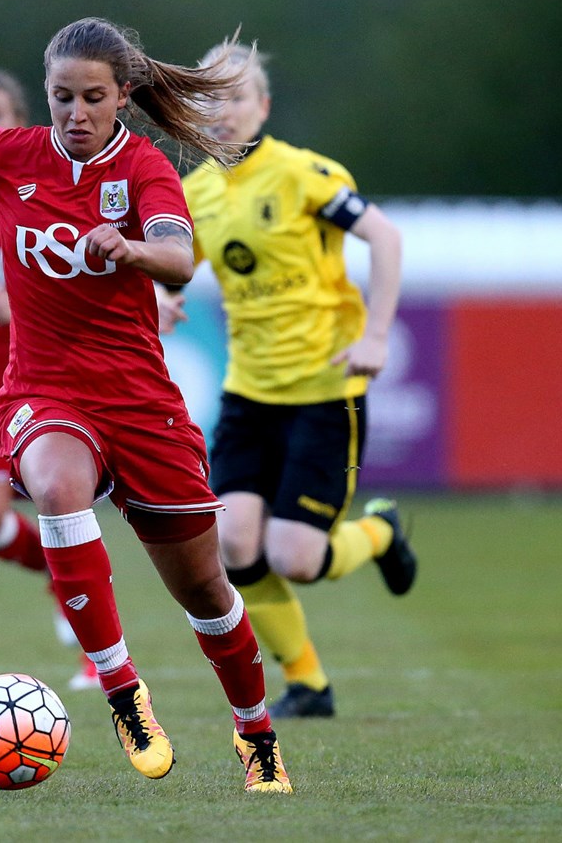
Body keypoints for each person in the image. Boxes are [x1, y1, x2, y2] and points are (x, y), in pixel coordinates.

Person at [0, 17, 292, 793]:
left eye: (92, 98)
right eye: (61, 97)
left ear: (122, 98)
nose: (75, 113)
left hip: (142, 403)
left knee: (206, 591)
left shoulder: (143, 167)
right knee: (56, 486)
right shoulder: (12, 155)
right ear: (44, 96)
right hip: (45, 391)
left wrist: (134, 248)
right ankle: (122, 691)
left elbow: (178, 255)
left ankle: (258, 737)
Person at [166, 41, 417, 718]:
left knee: (297, 556)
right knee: (236, 543)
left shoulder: (304, 176)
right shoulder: (194, 195)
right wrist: (163, 298)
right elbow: (172, 269)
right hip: (250, 391)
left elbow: (386, 238)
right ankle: (309, 682)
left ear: (263, 106)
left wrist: (376, 336)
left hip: (324, 390)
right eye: (210, 99)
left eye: (237, 97)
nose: (223, 112)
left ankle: (383, 533)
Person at [0, 68, 97, 691]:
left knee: (65, 511)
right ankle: (60, 577)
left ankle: (100, 660)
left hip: (52, 373)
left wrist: (26, 295)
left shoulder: (44, 178)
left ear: (20, 119)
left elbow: (85, 261)